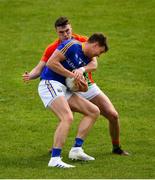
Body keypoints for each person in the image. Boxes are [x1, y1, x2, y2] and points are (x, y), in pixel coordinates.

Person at [23, 16, 129, 156]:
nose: (65, 34)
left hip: (85, 84)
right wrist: (30, 75)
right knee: (66, 115)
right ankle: (58, 149)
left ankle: (116, 147)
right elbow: (42, 66)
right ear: (57, 32)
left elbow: (94, 64)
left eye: (67, 30)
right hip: (66, 85)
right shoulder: (52, 48)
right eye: (61, 32)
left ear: (71, 28)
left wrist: (81, 70)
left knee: (113, 115)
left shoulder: (84, 41)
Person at [38, 33, 108, 168]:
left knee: (93, 111)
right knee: (67, 117)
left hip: (64, 88)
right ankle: (55, 159)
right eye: (99, 52)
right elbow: (51, 63)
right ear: (95, 45)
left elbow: (93, 67)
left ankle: (76, 150)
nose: (98, 56)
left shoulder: (87, 58)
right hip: (49, 83)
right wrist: (72, 75)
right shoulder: (72, 45)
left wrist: (80, 80)